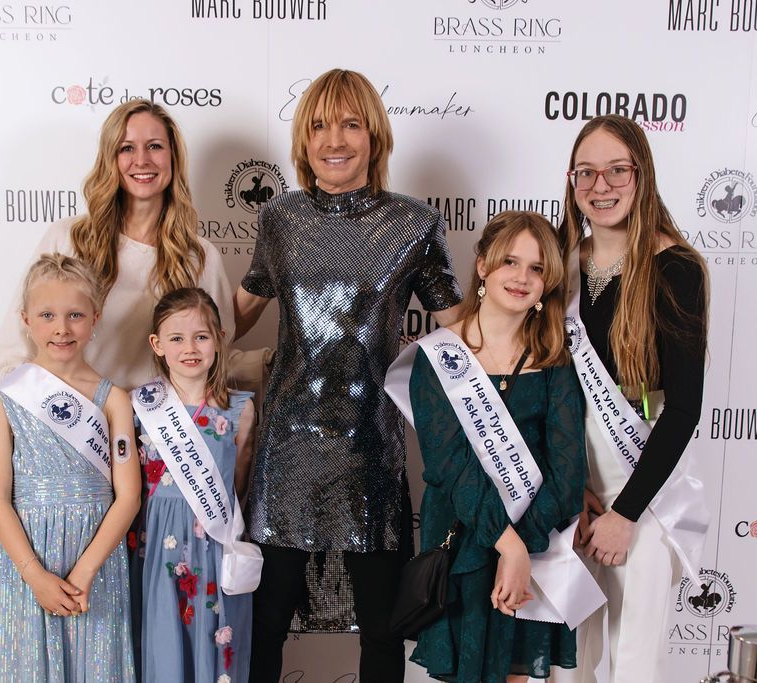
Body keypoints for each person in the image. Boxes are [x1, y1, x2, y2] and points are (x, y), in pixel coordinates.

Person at [233, 68, 463, 682]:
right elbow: (233, 315)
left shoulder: (414, 222)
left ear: (375, 136)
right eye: (319, 125)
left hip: (370, 450)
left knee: (382, 632)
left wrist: (534, 345)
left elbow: (461, 332)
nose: (334, 140)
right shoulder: (279, 219)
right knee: (266, 621)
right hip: (287, 448)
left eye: (351, 123)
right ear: (304, 141)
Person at [397, 211, 587, 682]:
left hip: (535, 537)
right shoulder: (436, 356)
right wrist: (508, 548)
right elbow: (448, 466)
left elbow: (567, 475)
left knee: (515, 677)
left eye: (537, 268)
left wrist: (523, 548)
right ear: (482, 266)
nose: (522, 278)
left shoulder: (555, 359)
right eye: (510, 262)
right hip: (463, 542)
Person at [555, 114, 709, 682]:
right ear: (571, 183)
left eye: (617, 170)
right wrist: (571, 488)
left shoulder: (675, 269)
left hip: (642, 498)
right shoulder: (562, 263)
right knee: (572, 665)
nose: (602, 186)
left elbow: (684, 407)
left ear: (641, 176)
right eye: (587, 173)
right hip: (576, 496)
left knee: (632, 661)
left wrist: (625, 513)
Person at [0, 98, 234, 408]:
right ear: (110, 158)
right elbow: (16, 340)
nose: (142, 160)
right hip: (70, 423)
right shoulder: (68, 238)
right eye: (126, 148)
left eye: (154, 147)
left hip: (158, 437)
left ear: (173, 157)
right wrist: (3, 402)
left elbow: (218, 356)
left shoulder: (199, 257)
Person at [0, 253, 139, 681]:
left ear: (95, 318)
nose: (61, 328)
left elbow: (128, 496)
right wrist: (35, 576)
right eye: (47, 314)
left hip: (96, 559)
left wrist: (85, 570)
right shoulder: (6, 395)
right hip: (28, 558)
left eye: (75, 315)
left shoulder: (114, 400)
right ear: (26, 319)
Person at [130, 288, 256, 682]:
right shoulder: (138, 406)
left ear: (219, 340)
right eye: (177, 338)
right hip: (156, 544)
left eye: (201, 336)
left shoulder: (240, 409)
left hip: (213, 547)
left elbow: (240, 481)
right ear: (157, 344)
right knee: (162, 640)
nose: (190, 348)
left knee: (211, 641)